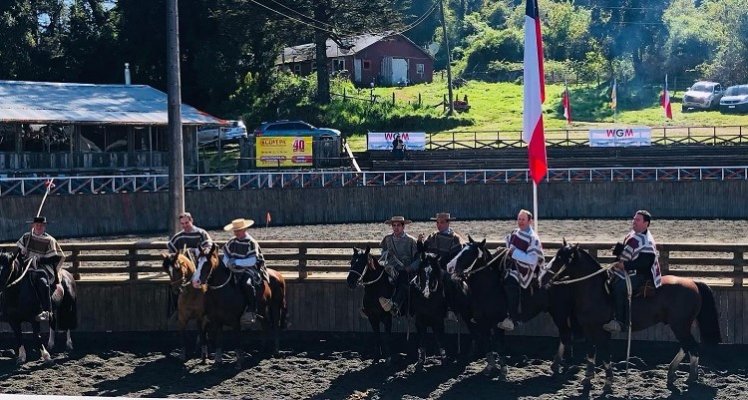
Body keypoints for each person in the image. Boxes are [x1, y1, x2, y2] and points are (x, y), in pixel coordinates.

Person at [603, 210, 662, 333]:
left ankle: (620, 322)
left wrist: (624, 265)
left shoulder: (647, 242)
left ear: (646, 223)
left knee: (619, 288)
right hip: (625, 270)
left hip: (641, 275)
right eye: (634, 219)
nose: (634, 221)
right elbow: (628, 250)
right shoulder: (633, 234)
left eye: (638, 220)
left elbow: (644, 264)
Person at [498, 209, 545, 331]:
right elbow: (509, 247)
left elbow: (532, 260)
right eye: (519, 219)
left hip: (526, 271)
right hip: (510, 265)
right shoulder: (515, 233)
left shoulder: (533, 238)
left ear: (530, 221)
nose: (520, 222)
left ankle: (512, 317)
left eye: (523, 219)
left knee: (510, 281)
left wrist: (514, 253)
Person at [16, 216, 65, 322]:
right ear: (32, 225)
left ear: (44, 227)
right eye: (36, 225)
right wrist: (22, 251)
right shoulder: (26, 237)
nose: (38, 227)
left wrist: (39, 260)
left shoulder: (49, 240)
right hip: (26, 267)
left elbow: (55, 257)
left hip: (43, 268)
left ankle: (47, 310)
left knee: (42, 281)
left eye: (41, 225)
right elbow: (18, 253)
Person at [222, 218, 266, 325]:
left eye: (238, 230)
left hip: (249, 269)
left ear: (244, 229)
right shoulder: (231, 242)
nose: (236, 233)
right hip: (232, 268)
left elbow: (252, 260)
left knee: (247, 284)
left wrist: (236, 262)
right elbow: (225, 256)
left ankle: (252, 309)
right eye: (235, 231)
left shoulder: (251, 242)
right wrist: (227, 263)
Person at [377, 216, 419, 316]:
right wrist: (386, 253)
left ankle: (395, 305)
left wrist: (411, 267)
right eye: (394, 225)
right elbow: (382, 255)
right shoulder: (387, 239)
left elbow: (418, 259)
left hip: (406, 271)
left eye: (398, 225)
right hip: (390, 269)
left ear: (403, 226)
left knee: (402, 280)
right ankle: (372, 306)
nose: (396, 228)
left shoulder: (411, 241)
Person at [167, 212, 213, 288]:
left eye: (186, 223)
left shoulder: (201, 233)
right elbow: (171, 251)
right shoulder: (178, 237)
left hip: (200, 267)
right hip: (185, 269)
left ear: (191, 220)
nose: (185, 225)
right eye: (182, 223)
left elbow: (209, 247)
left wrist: (195, 251)